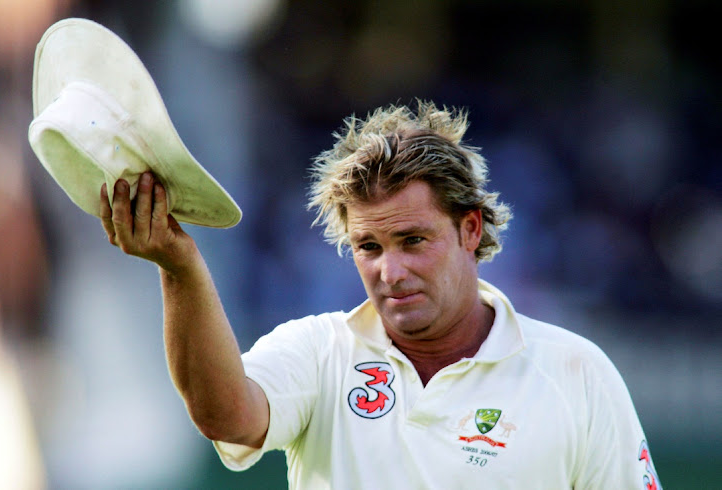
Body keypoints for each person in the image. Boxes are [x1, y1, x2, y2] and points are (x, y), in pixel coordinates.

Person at [99, 101, 661, 489]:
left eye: (413, 240)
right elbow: (226, 416)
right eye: (368, 246)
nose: (390, 271)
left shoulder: (575, 372)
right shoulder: (320, 352)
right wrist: (180, 266)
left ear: (470, 229)